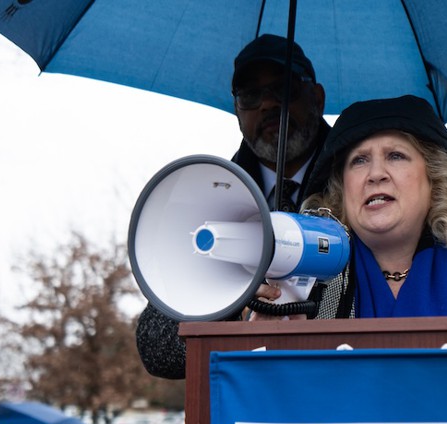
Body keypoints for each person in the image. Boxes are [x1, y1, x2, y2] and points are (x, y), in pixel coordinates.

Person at [250, 94, 447, 319]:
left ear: (434, 178)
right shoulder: (300, 281)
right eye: (359, 160)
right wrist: (269, 339)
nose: (376, 174)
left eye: (395, 156)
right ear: (341, 188)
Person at [136, 33, 331, 379]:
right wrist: (231, 306)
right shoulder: (211, 199)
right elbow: (158, 349)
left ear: (316, 97)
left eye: (283, 88)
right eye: (250, 96)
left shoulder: (364, 187)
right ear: (238, 113)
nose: (267, 104)